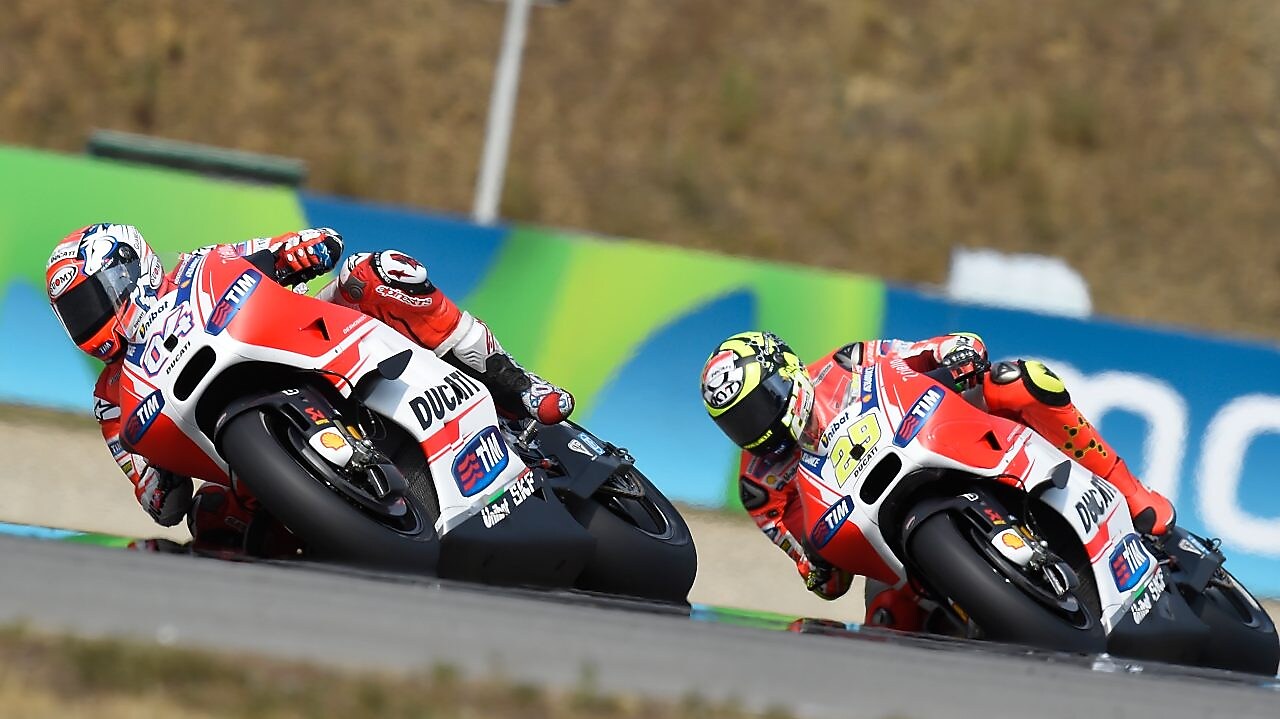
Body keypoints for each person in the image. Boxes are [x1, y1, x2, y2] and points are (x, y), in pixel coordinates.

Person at [45, 223, 574, 552]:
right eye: (75, 315)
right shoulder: (110, 399)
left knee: (381, 272)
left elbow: (304, 246)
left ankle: (516, 383)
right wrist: (156, 479)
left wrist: (303, 252)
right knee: (213, 524)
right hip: (245, 458)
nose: (86, 322)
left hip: (309, 348)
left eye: (90, 301)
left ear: (125, 269)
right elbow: (159, 500)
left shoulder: (202, 265)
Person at [698, 330, 1175, 631]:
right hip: (885, 536)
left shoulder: (847, 362)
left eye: (761, 405)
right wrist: (817, 567)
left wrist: (956, 353)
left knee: (1019, 380)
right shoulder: (759, 486)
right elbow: (816, 571)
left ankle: (1132, 496)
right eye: (739, 422)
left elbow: (927, 352)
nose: (757, 428)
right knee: (884, 623)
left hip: (940, 437)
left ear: (787, 371)